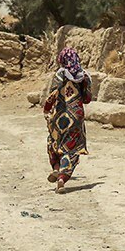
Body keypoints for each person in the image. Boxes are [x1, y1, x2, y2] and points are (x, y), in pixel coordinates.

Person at [43, 47, 92, 194]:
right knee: (72, 149)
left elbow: (52, 95)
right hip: (76, 117)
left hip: (59, 116)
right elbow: (87, 99)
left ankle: (56, 169)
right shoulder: (84, 76)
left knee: (54, 144)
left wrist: (46, 109)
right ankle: (62, 179)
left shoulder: (59, 75)